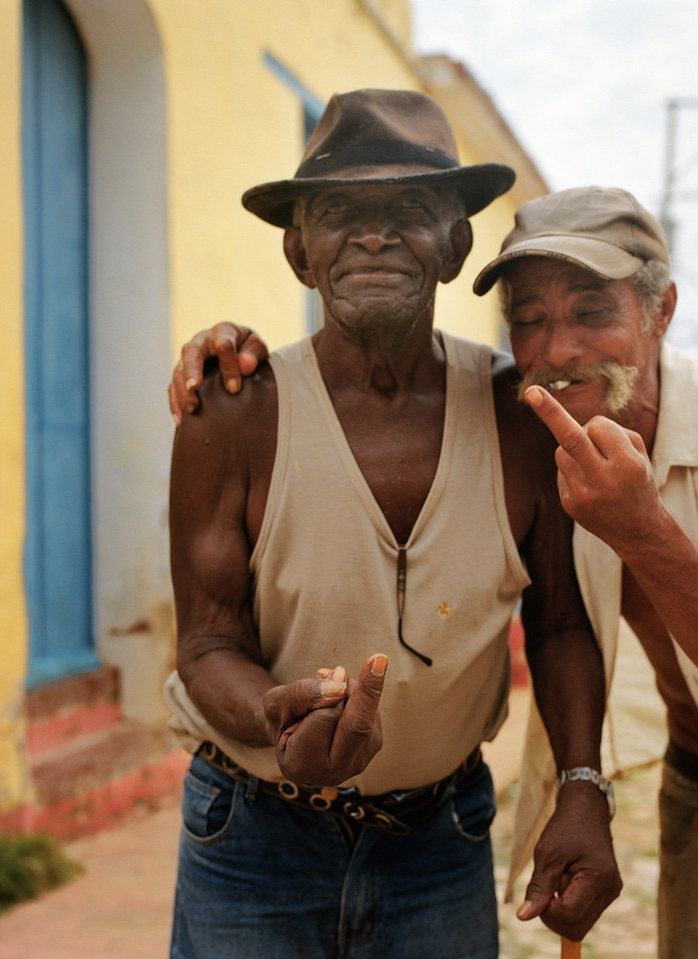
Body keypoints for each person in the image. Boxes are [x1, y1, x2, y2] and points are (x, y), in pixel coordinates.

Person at [174, 185, 698, 958]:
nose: (558, 348)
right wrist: (226, 346)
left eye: (592, 311)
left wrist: (640, 527)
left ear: (661, 311)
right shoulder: (528, 428)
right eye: (530, 318)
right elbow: (560, 623)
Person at [164, 91, 621, 959]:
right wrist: (272, 716)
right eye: (339, 212)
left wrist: (583, 788)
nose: (373, 235)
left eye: (410, 209)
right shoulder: (233, 411)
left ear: (455, 246)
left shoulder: (519, 416)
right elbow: (204, 644)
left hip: (437, 842)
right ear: (301, 251)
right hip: (252, 838)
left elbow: (560, 623)